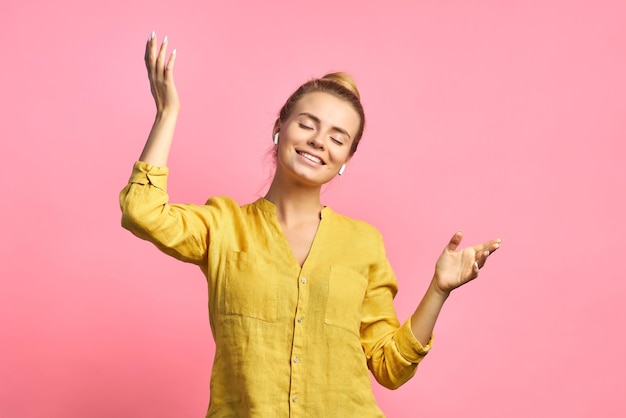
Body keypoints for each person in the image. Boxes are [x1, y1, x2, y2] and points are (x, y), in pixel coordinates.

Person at [120, 31, 502, 417]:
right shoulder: (222, 224)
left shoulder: (364, 243)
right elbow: (142, 211)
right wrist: (167, 113)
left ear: (347, 158)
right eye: (308, 124)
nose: (320, 141)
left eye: (338, 138)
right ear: (280, 127)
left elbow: (391, 367)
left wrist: (439, 290)